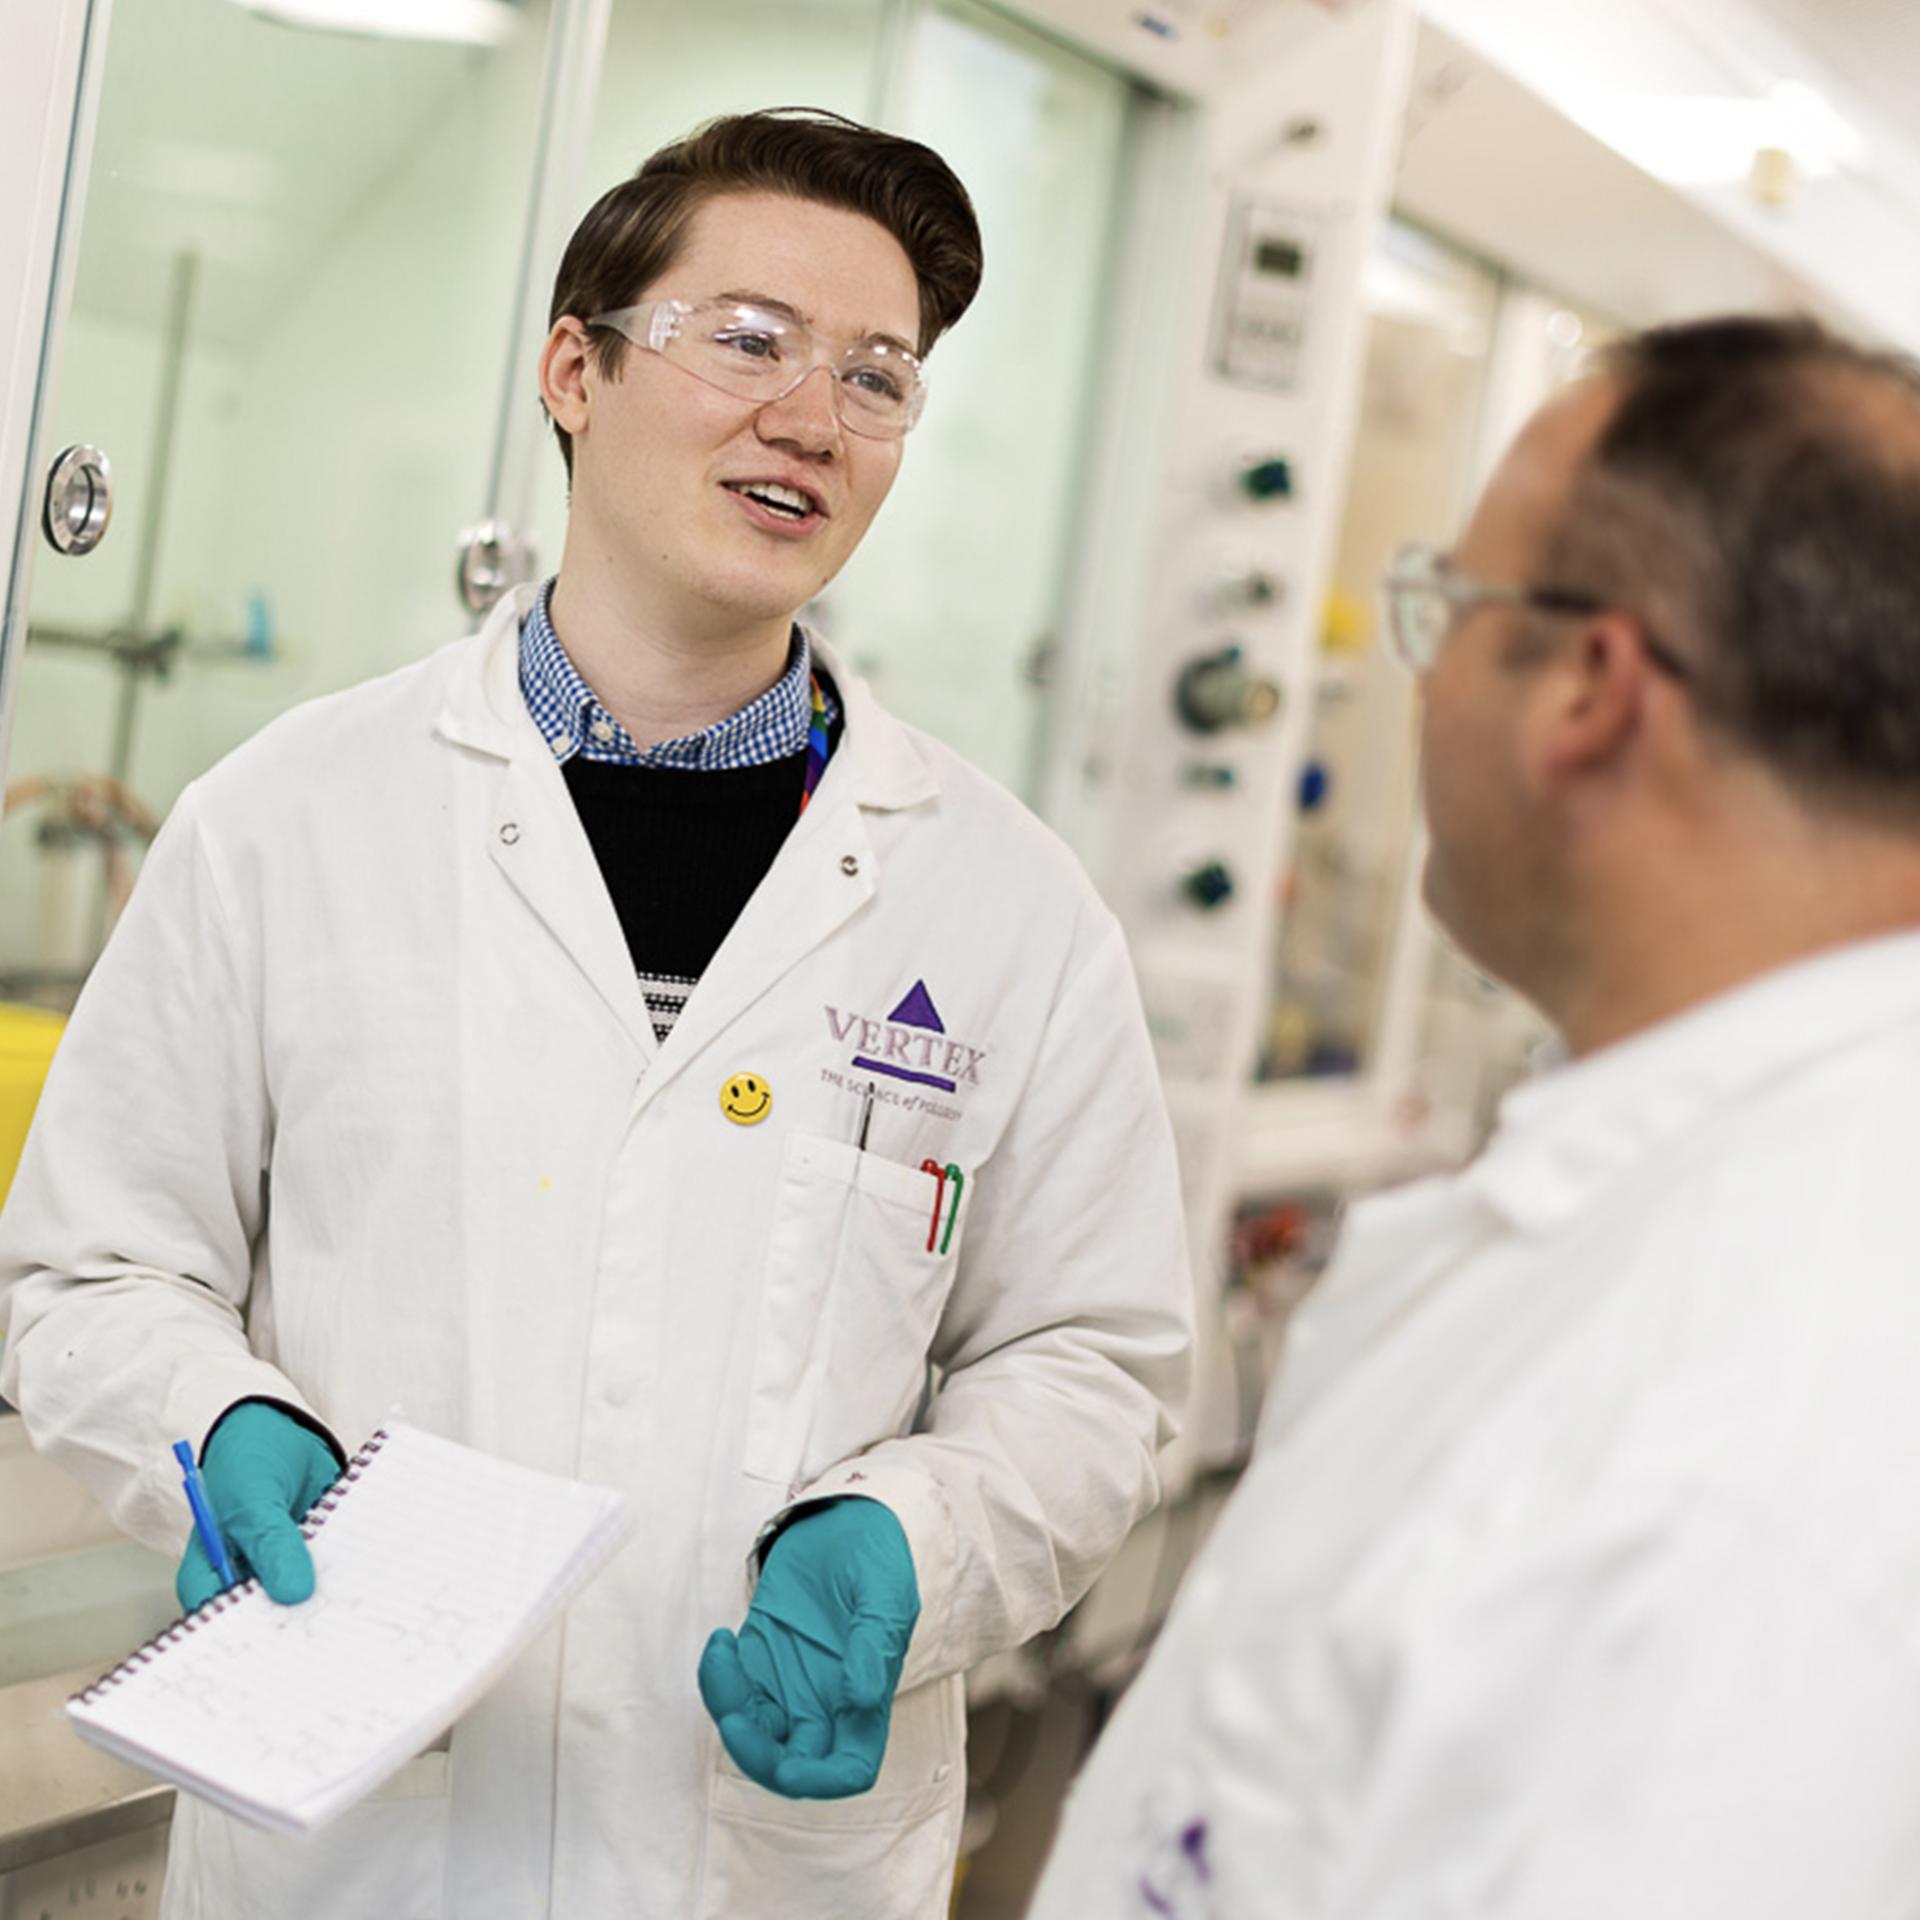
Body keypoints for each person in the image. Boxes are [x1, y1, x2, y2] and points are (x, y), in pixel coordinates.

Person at [0, 109, 1192, 1920]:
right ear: (575, 367)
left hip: (756, 1861)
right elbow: (89, 1273)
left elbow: (1093, 1362)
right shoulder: (291, 817)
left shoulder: (1009, 906)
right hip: (359, 1846)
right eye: (748, 339)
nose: (813, 416)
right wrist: (213, 1426)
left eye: (880, 378)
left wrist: (914, 1540)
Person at [1028, 315, 1920, 1920]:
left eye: (1450, 610)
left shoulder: (1763, 1430)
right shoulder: (1714, 1196)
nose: (1424, 675)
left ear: (1588, 685)